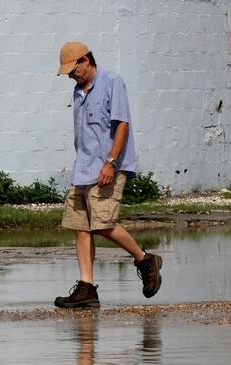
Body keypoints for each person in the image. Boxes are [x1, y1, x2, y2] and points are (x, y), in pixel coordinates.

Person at [53, 41, 162, 309]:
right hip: (83, 168)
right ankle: (87, 288)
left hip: (107, 167)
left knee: (102, 224)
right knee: (79, 226)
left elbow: (122, 124)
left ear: (86, 61)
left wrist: (111, 163)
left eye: (73, 68)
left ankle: (144, 259)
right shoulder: (78, 91)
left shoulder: (112, 82)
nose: (70, 74)